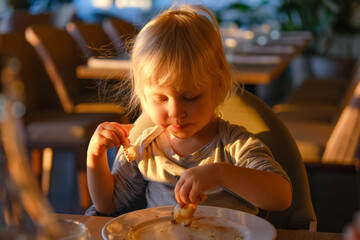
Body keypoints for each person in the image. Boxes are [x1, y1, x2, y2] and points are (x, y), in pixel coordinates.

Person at [85, 4, 292, 217]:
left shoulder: (234, 144)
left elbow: (281, 197)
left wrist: (220, 173)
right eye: (161, 98)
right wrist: (95, 154)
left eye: (189, 97)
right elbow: (107, 206)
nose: (175, 111)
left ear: (218, 86)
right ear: (144, 97)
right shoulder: (144, 148)